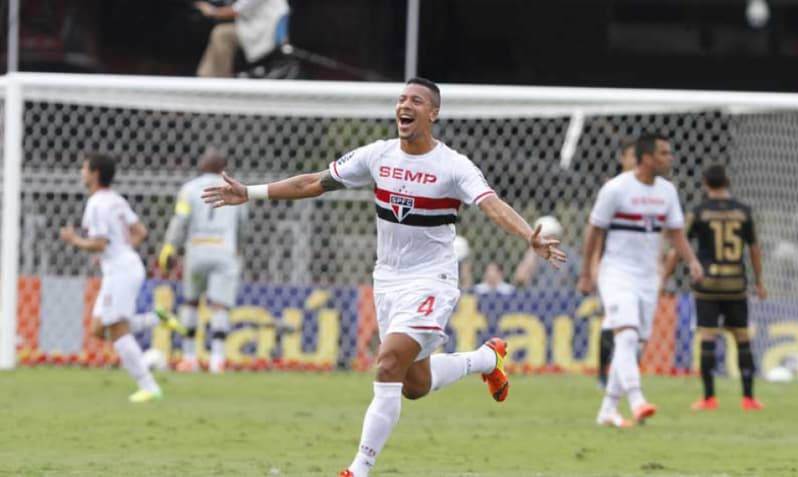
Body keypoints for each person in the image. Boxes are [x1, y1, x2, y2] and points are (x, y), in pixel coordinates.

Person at [201, 77, 566, 477]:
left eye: (416, 101)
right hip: (388, 280)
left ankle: (358, 469)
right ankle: (485, 358)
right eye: (401, 99)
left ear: (433, 113)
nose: (404, 106)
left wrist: (527, 234)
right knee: (415, 385)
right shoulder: (377, 155)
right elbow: (313, 182)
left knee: (388, 361)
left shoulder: (454, 166)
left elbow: (491, 205)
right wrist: (251, 193)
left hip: (432, 280)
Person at [578, 133, 703, 428]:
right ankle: (637, 400)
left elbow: (675, 233)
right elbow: (594, 231)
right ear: (645, 157)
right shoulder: (615, 189)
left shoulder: (668, 192)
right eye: (663, 153)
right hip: (616, 273)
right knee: (627, 335)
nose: (669, 158)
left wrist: (692, 261)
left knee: (632, 346)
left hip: (649, 277)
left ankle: (608, 410)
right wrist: (586, 273)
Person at [59, 153, 163, 403]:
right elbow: (140, 231)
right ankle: (153, 320)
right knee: (98, 329)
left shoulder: (96, 203)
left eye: (84, 168)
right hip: (125, 266)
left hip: (121, 271)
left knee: (117, 330)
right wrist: (120, 251)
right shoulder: (116, 200)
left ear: (94, 174)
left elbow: (100, 242)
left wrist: (75, 241)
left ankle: (149, 387)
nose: (81, 173)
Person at [662, 163, 766, 411]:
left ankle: (709, 398)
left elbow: (680, 246)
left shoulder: (698, 212)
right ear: (727, 182)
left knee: (707, 336)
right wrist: (759, 281)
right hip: (735, 283)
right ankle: (748, 398)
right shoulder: (744, 212)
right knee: (742, 337)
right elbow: (754, 249)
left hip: (707, 283)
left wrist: (665, 276)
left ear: (705, 184)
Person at [157, 148, 248, 373]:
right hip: (224, 251)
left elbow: (181, 219)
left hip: (196, 249)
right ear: (223, 168)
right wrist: (238, 250)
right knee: (220, 305)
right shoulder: (236, 189)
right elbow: (242, 226)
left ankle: (190, 358)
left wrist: (170, 247)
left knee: (191, 302)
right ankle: (217, 359)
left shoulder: (189, 189)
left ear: (202, 165)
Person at [594, 140, 636, 389]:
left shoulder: (649, 189)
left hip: (639, 267)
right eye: (631, 155)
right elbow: (597, 229)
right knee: (612, 319)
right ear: (623, 159)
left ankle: (623, 373)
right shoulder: (612, 189)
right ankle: (603, 373)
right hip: (613, 266)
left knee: (631, 325)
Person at [195, 0, 290, 77]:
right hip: (257, 26)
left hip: (263, 31)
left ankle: (221, 78)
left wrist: (212, 11)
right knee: (221, 32)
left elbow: (237, 10)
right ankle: (206, 76)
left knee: (221, 33)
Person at [513, 215, 579, 289]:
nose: (549, 240)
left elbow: (580, 278)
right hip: (536, 296)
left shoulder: (567, 253)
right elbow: (520, 278)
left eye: (552, 236)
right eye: (545, 237)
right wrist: (533, 249)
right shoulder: (534, 254)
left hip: (563, 296)